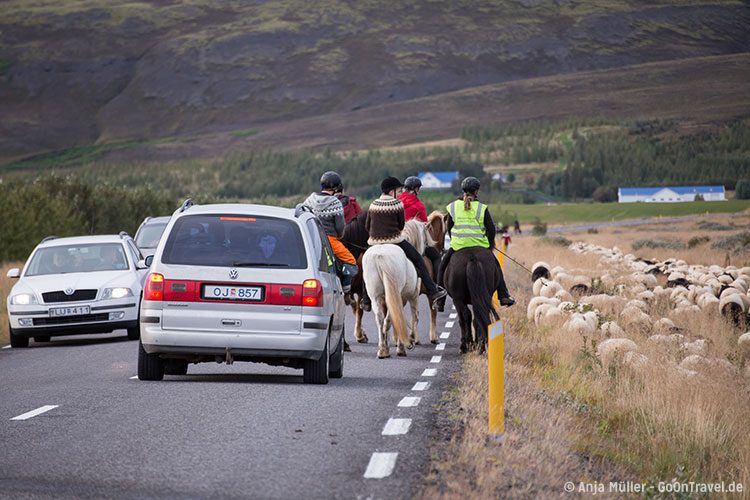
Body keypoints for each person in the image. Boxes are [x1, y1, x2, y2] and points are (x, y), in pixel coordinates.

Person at [364, 176, 447, 310]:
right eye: (398, 190)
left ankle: (366, 299)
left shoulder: (373, 204)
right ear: (392, 192)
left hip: (374, 242)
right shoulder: (399, 204)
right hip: (395, 240)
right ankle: (433, 290)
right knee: (420, 260)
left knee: (366, 264)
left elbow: (368, 226)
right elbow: (401, 225)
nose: (400, 193)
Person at [435, 176, 515, 312]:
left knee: (442, 267)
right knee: (496, 267)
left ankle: (440, 300)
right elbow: (491, 230)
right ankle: (503, 295)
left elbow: (449, 229)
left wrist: (457, 240)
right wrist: (489, 245)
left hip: (458, 246)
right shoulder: (482, 208)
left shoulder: (453, 207)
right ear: (476, 191)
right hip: (480, 247)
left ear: (463, 190)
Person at [300, 171, 358, 302]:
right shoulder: (335, 203)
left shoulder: (310, 199)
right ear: (336, 187)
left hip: (311, 238)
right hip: (330, 240)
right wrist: (340, 236)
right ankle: (346, 289)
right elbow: (340, 227)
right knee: (350, 261)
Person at [400, 175, 441, 282]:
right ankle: (437, 285)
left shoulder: (397, 200)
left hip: (397, 237)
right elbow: (424, 225)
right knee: (436, 257)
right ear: (416, 189)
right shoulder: (419, 205)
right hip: (414, 239)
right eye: (418, 188)